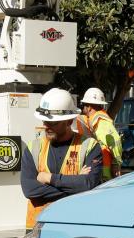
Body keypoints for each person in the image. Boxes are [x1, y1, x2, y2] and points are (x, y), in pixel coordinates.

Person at [22, 88, 103, 229]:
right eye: (44, 120)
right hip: (39, 228)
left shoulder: (89, 146)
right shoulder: (33, 148)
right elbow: (30, 190)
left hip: (75, 226)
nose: (46, 126)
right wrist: (75, 184)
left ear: (69, 120)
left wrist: (49, 178)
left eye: (52, 123)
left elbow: (89, 184)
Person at [78, 87, 123, 180]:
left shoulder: (102, 123)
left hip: (104, 171)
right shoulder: (93, 121)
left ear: (89, 107)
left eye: (84, 105)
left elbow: (115, 141)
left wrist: (116, 164)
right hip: (98, 167)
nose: (83, 108)